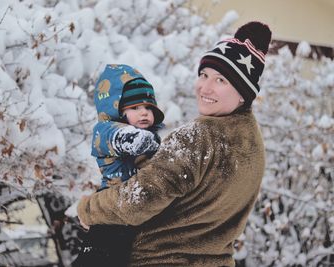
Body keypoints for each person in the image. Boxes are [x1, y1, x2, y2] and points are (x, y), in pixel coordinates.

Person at [76, 21, 271, 266]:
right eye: (204, 75)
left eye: (221, 80)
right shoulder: (253, 144)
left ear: (243, 93)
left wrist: (89, 209)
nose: (205, 87)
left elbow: (141, 197)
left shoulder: (199, 136)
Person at [71, 64, 165, 267]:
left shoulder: (149, 138)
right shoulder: (106, 130)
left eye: (149, 108)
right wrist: (154, 144)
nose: (144, 113)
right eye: (135, 108)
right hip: (110, 214)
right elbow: (130, 140)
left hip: (131, 212)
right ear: (116, 109)